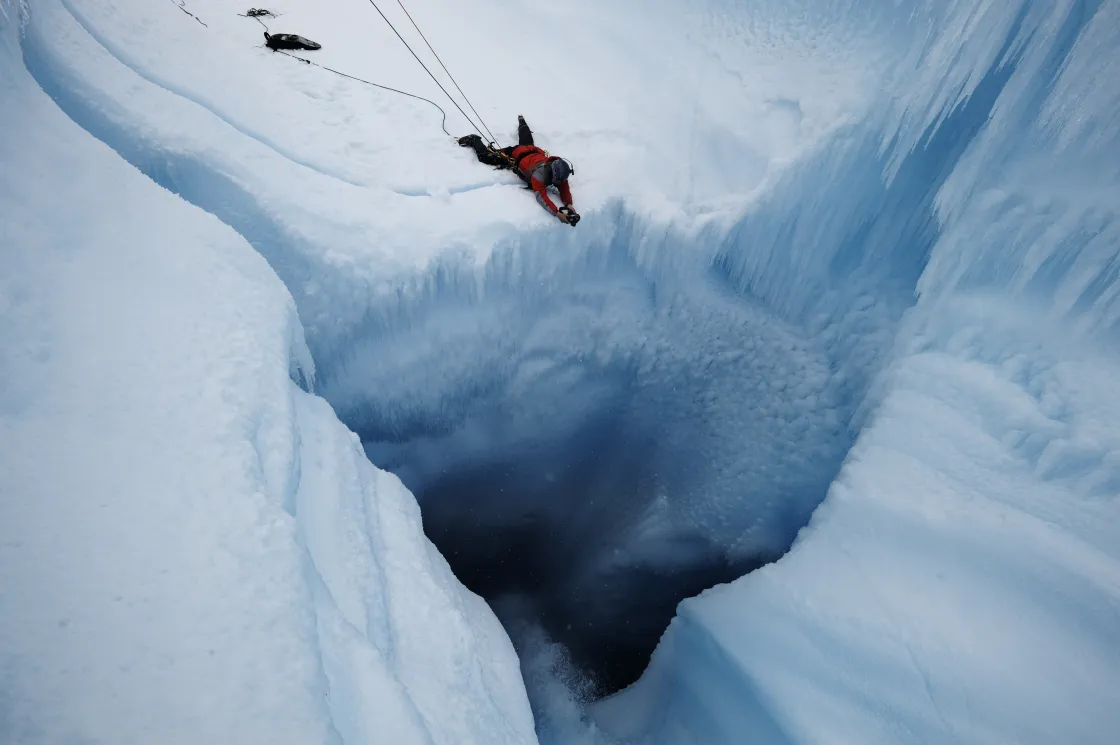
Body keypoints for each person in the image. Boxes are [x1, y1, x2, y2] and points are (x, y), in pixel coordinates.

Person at [459, 116, 579, 225]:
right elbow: (542, 197)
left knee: (526, 140)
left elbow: (564, 187)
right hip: (515, 153)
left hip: (532, 150)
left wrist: (568, 204)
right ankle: (473, 139)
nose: (560, 182)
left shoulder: (557, 168)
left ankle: (522, 122)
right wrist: (557, 213)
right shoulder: (539, 176)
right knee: (486, 158)